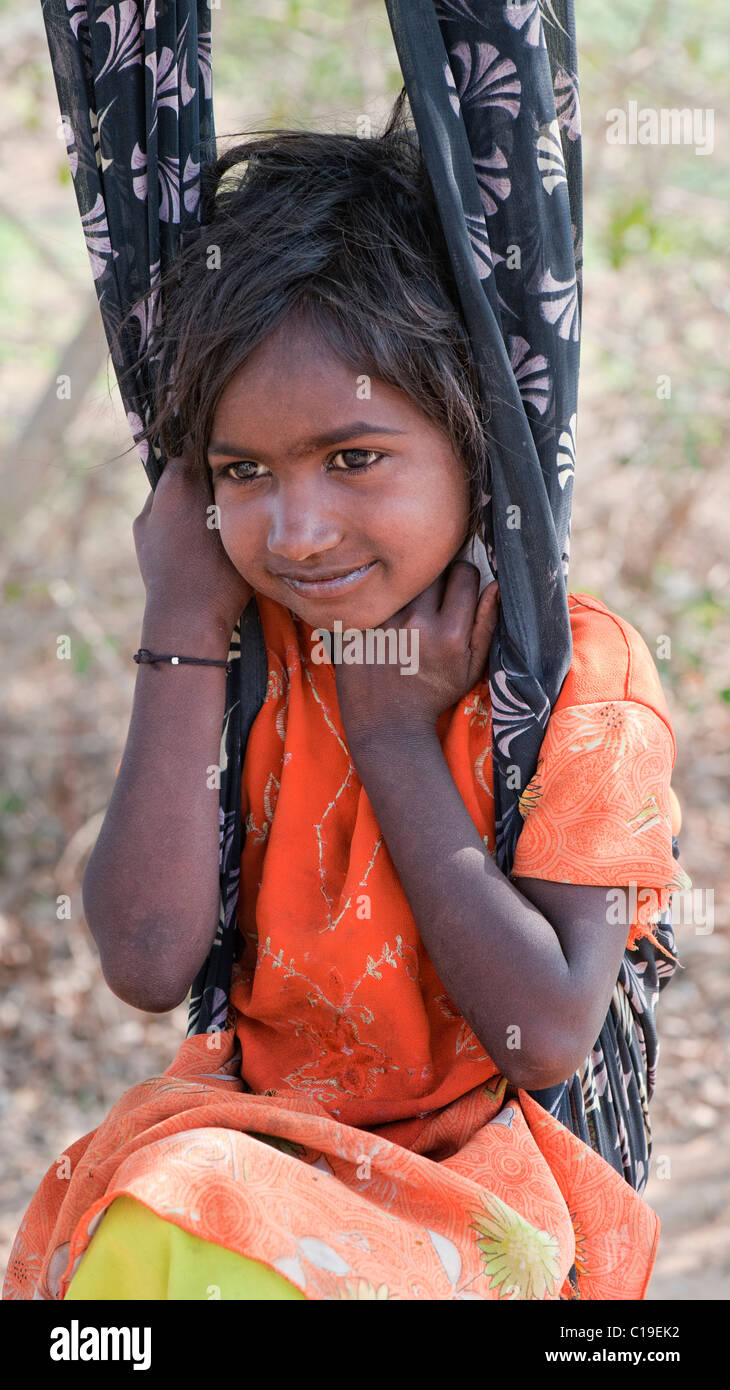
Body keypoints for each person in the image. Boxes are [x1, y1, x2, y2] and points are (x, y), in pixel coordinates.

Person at [3, 97, 691, 1302]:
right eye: (242, 472)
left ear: (477, 440)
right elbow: (149, 958)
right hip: (260, 1141)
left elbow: (549, 1034)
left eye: (354, 457)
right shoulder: (245, 652)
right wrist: (178, 621)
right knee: (148, 1244)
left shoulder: (572, 679)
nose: (299, 528)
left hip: (485, 1180)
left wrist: (389, 732)